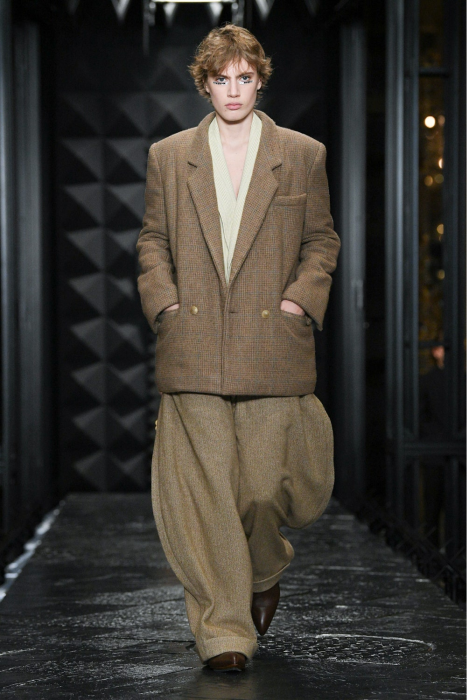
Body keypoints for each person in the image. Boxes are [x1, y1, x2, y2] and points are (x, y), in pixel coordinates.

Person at [136, 23, 341, 672]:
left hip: (271, 345)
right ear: (204, 84)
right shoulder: (169, 156)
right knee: (208, 500)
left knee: (259, 491)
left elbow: (321, 240)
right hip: (193, 345)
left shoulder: (301, 153)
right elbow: (152, 241)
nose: (233, 90)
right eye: (221, 79)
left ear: (259, 80)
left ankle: (262, 570)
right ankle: (224, 632)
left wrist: (299, 301)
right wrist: (164, 302)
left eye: (244, 78)